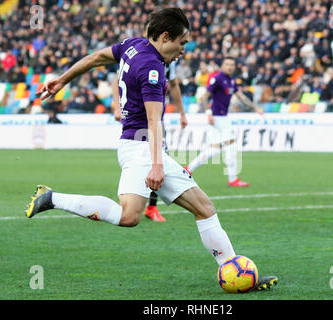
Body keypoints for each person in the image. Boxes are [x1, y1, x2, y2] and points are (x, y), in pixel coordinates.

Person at [27, 7, 277, 290]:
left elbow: (97, 57)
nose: (184, 50)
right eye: (182, 43)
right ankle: (51, 198)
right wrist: (157, 165)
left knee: (204, 208)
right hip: (141, 148)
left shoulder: (133, 44)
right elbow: (154, 121)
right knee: (129, 216)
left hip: (144, 147)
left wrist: (62, 79)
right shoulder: (153, 67)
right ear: (166, 36)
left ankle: (235, 272)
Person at [112, 59, 187, 222]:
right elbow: (118, 79)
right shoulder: (139, 55)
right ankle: (133, 201)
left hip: (157, 120)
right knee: (148, 161)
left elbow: (173, 85)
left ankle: (151, 207)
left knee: (159, 159)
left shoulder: (169, 62)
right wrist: (117, 106)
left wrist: (182, 112)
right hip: (139, 124)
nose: (181, 50)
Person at [185, 57, 263, 187]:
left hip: (222, 117)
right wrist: (208, 113)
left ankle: (188, 169)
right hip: (217, 117)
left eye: (232, 64)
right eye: (227, 64)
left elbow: (241, 96)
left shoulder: (232, 80)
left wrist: (255, 108)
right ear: (222, 66)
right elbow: (205, 97)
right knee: (231, 144)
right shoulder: (218, 78)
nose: (230, 67)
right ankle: (233, 179)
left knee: (215, 149)